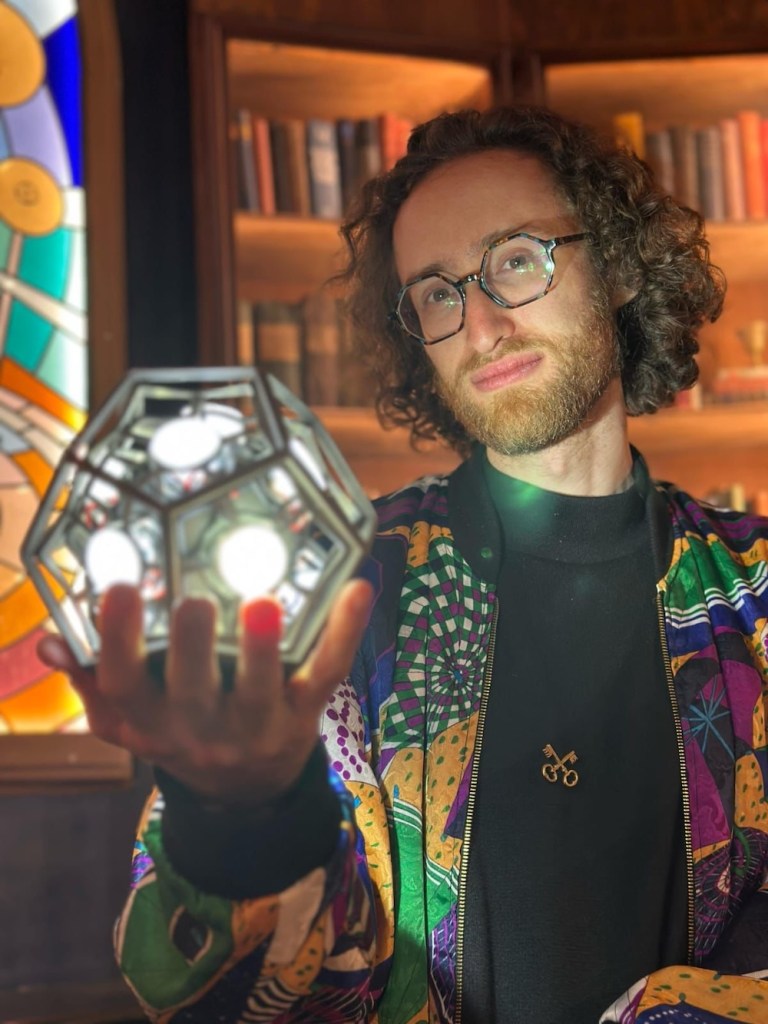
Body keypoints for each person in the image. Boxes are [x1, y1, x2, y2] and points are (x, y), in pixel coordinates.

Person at [39, 106, 768, 1023]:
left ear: (617, 268)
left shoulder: (757, 595)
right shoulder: (335, 589)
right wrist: (240, 817)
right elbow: (227, 996)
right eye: (436, 291)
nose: (481, 324)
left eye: (515, 258)